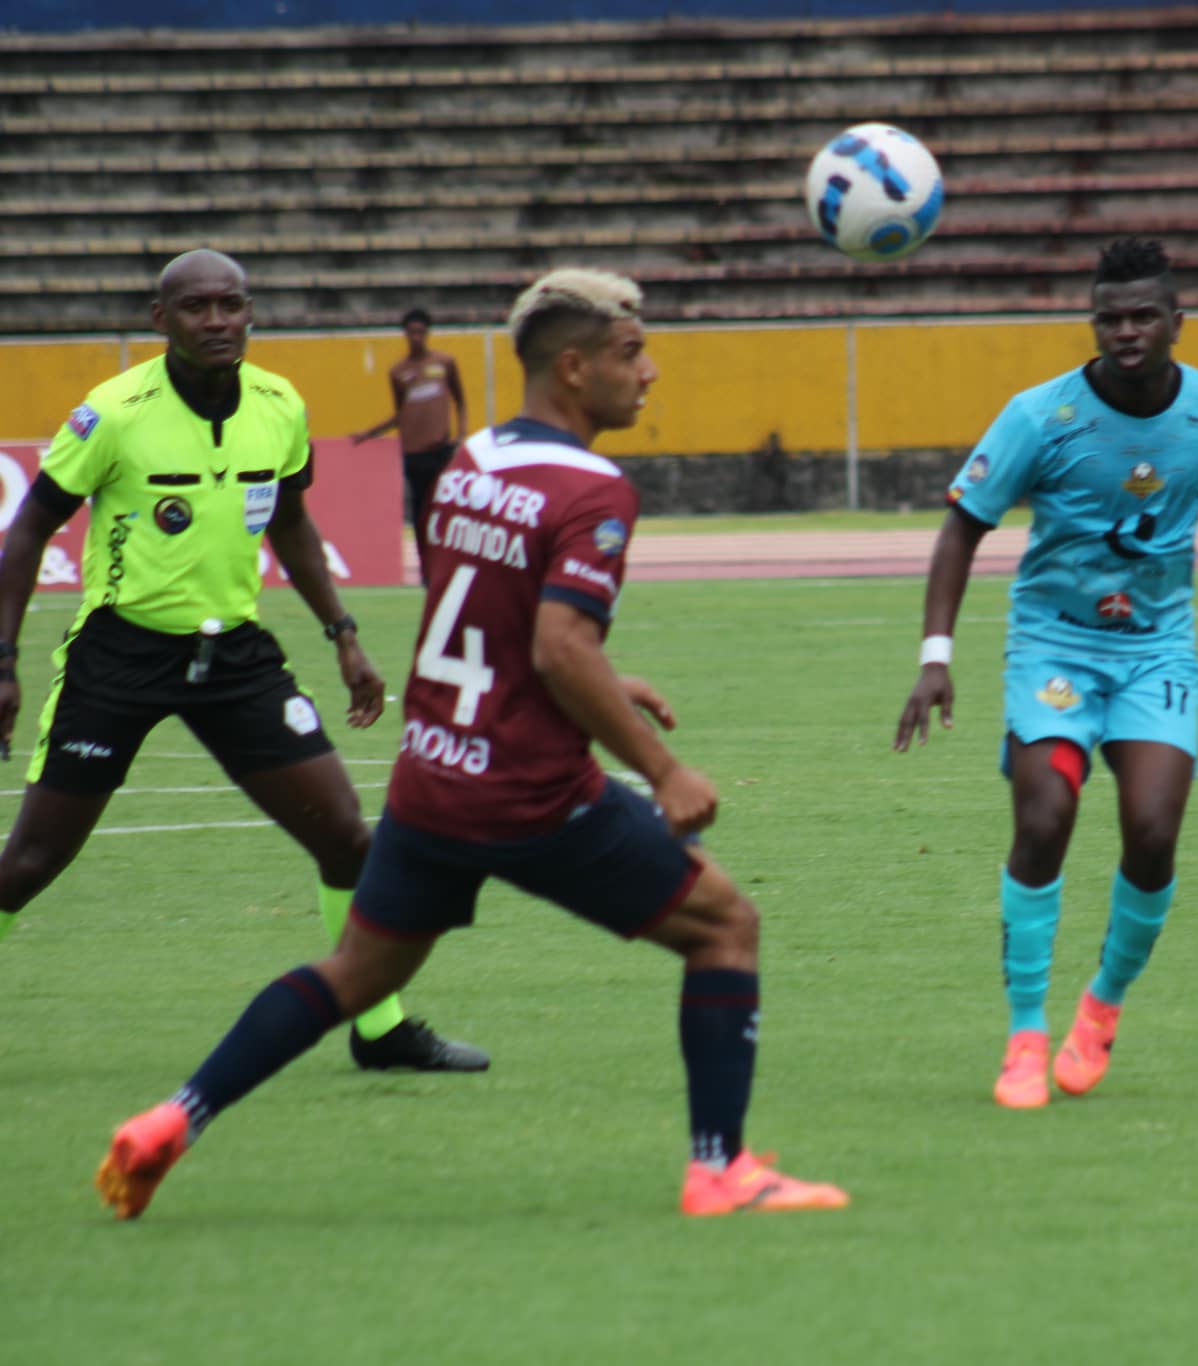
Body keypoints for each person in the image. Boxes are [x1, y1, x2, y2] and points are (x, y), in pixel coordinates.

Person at [96, 267, 848, 1220]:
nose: (649, 373)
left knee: (356, 975)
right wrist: (664, 771)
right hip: (530, 793)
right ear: (572, 369)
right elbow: (558, 645)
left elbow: (491, 621)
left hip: (431, 778)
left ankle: (176, 1116)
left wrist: (608, 684)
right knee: (726, 927)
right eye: (631, 354)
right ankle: (720, 1170)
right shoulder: (598, 490)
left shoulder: (474, 459)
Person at [894, 239, 1198, 1108]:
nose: (1126, 331)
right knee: (1047, 815)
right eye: (1110, 317)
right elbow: (962, 527)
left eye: (1144, 315)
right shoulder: (1041, 417)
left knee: (1151, 831)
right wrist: (936, 658)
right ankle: (1025, 1037)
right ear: (1093, 322)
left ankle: (1101, 1008)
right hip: (1054, 647)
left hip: (1155, 651)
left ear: (1177, 324)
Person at [0, 250, 485, 1073]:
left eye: (233, 304)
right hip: (121, 653)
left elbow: (291, 522)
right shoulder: (112, 413)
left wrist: (345, 636)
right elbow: (25, 533)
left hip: (236, 658)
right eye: (197, 308)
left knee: (347, 840)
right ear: (162, 321)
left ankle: (380, 1028)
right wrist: (4, 661)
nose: (219, 321)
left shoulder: (278, 404)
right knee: (34, 862)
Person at [351, 307, 469, 569]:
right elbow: (400, 414)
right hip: (413, 453)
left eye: (420, 331)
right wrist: (369, 433)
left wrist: (461, 435)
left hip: (441, 449)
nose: (416, 337)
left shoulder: (444, 363)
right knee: (419, 513)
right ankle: (427, 567)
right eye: (411, 332)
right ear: (405, 334)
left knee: (447, 507)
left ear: (427, 333)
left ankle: (450, 562)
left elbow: (460, 401)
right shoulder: (398, 372)